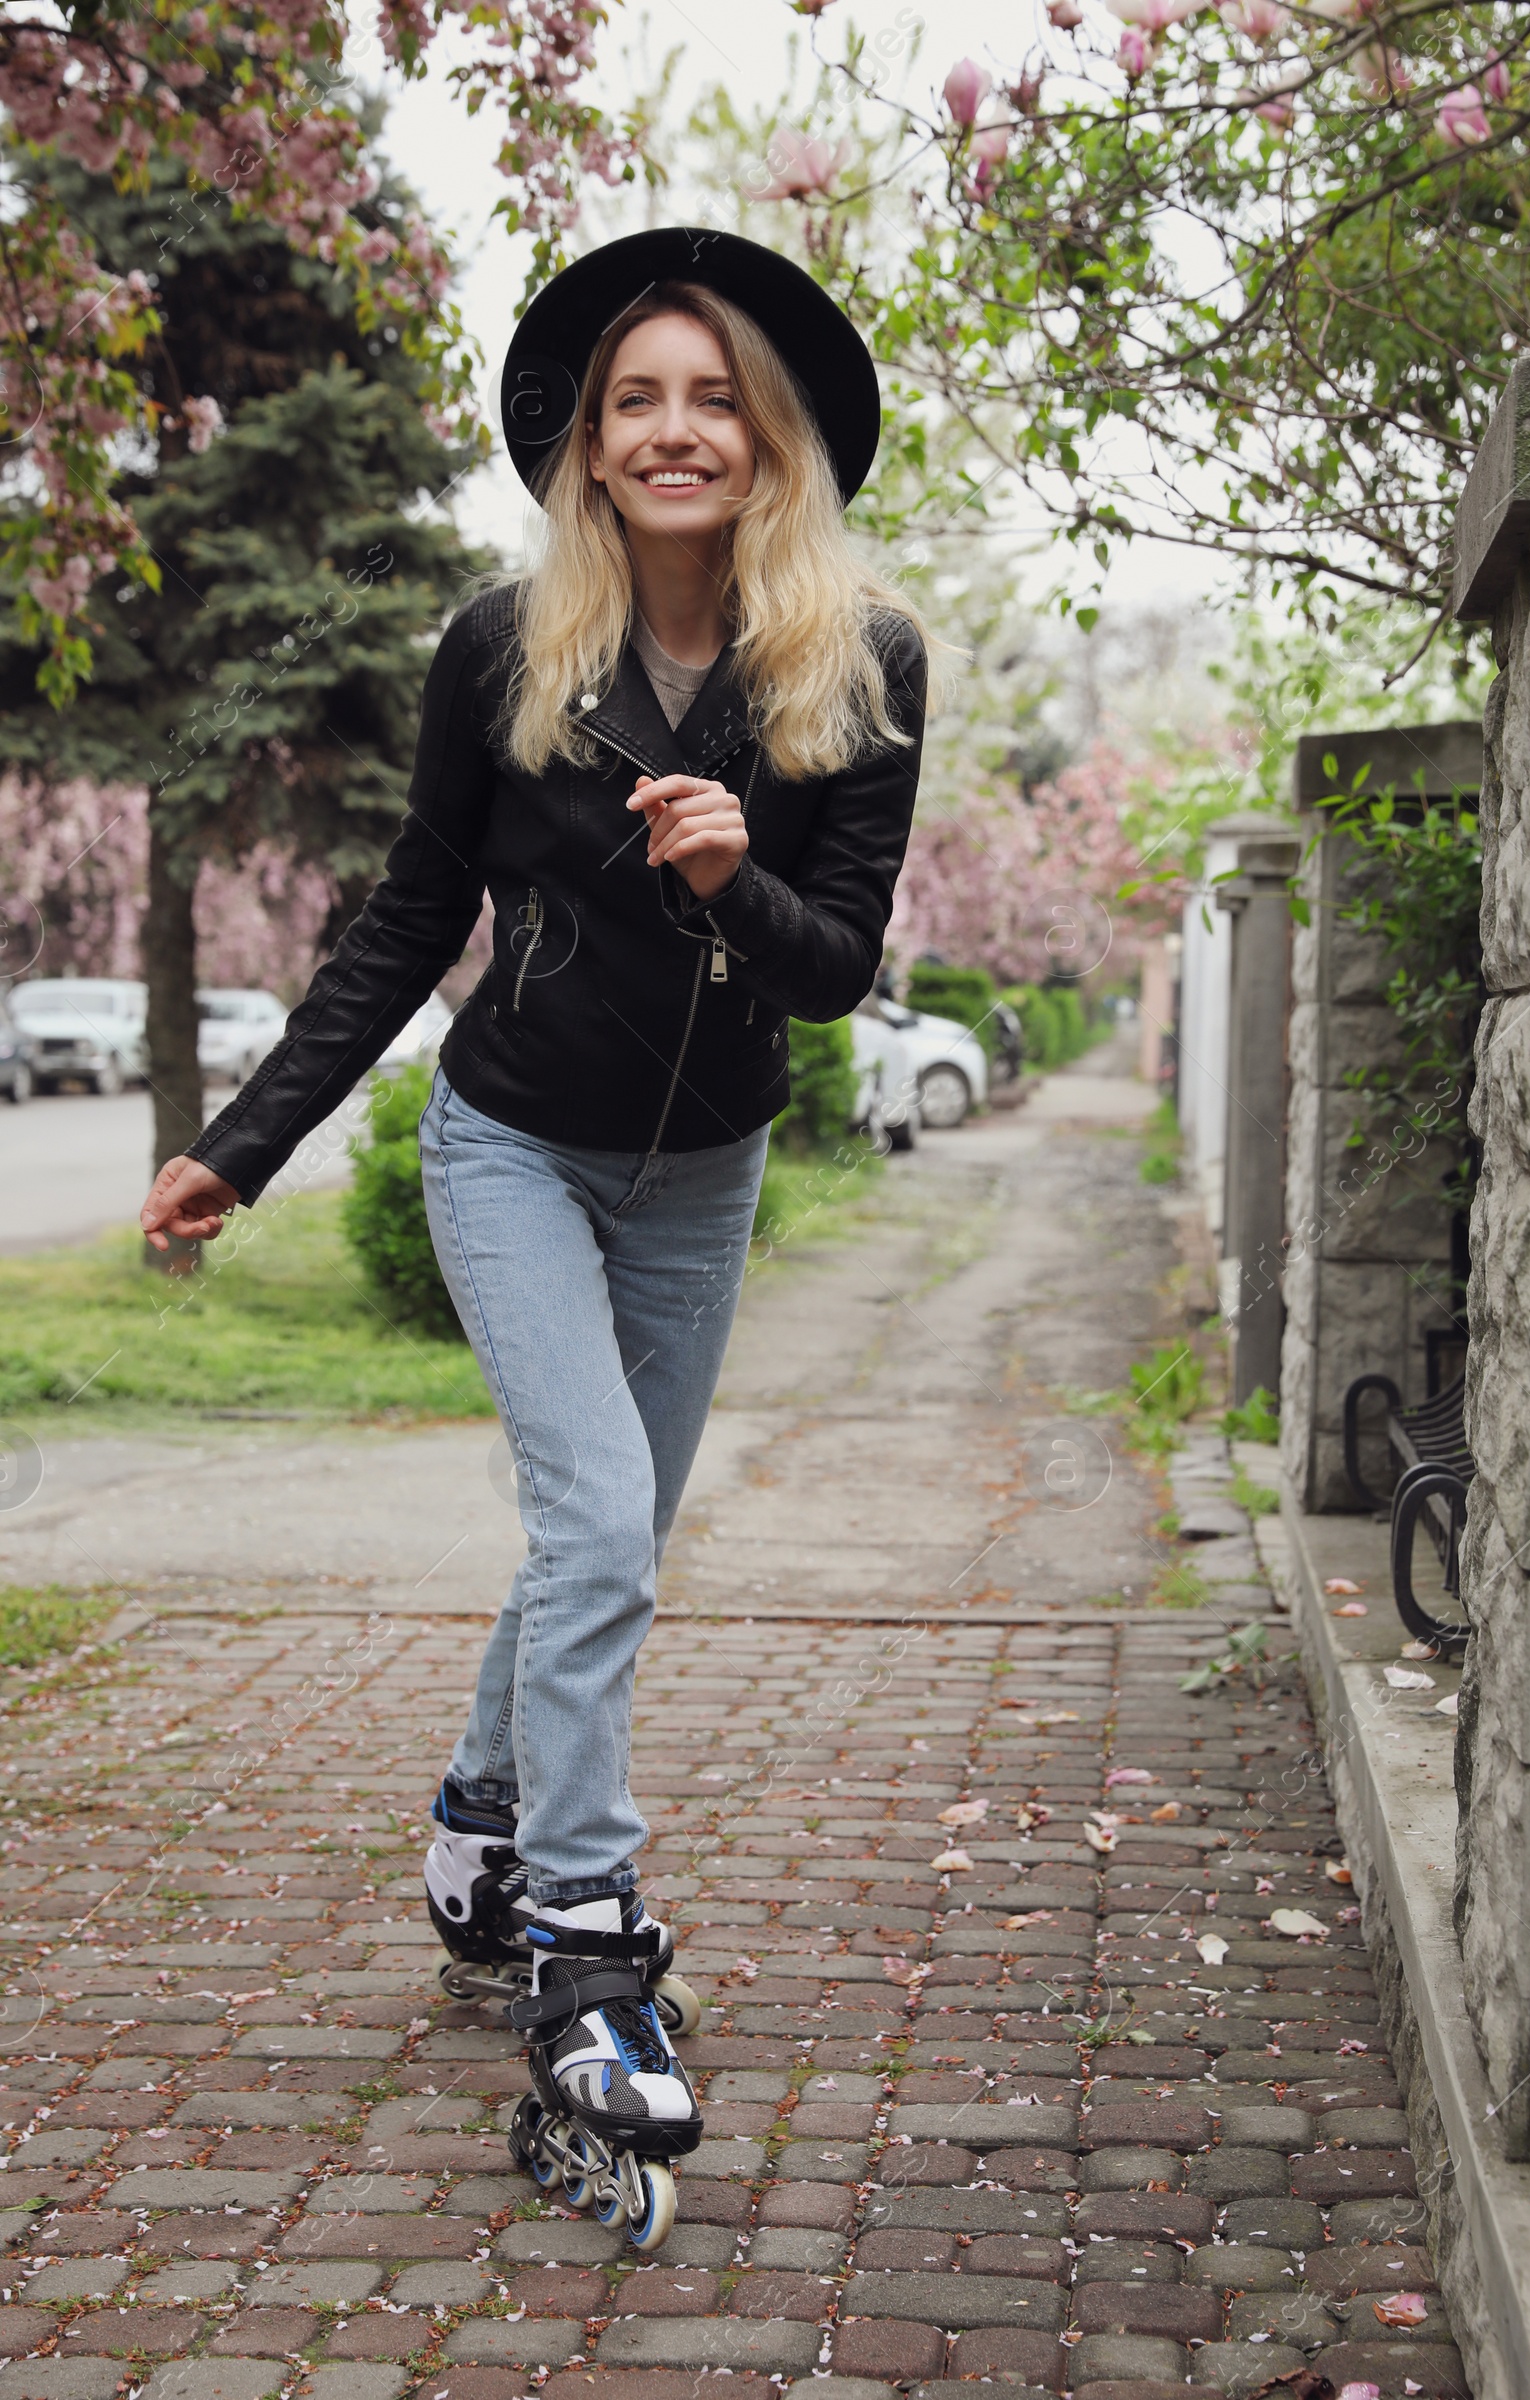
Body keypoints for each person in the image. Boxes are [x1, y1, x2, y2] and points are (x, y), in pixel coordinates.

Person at [139, 226, 931, 2172]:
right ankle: (581, 1947)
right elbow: (414, 916)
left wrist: (734, 872)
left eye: (709, 398)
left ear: (768, 440)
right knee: (603, 1538)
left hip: (704, 1172)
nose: (672, 430)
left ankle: (481, 1811)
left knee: (603, 1536)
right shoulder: (506, 651)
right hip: (506, 1144)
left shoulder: (860, 658)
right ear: (585, 447)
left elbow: (832, 967)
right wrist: (242, 1145)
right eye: (631, 401)